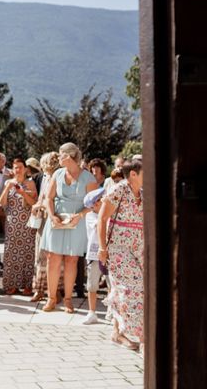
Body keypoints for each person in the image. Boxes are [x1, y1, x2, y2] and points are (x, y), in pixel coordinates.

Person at [40, 142, 99, 313]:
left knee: (72, 260)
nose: (58, 157)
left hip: (77, 222)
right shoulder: (57, 174)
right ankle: (51, 298)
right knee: (53, 258)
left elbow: (94, 203)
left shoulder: (88, 178)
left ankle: (67, 299)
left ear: (69, 156)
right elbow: (48, 198)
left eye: (60, 154)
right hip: (56, 220)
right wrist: (51, 216)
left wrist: (80, 215)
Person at [98, 159, 144, 352]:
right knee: (132, 288)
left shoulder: (143, 192)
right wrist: (102, 248)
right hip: (119, 248)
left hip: (140, 246)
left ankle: (117, 333)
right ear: (133, 174)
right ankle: (140, 333)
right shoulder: (119, 189)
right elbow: (102, 218)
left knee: (122, 289)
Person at [0, 158, 37, 295]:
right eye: (15, 167)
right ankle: (12, 284)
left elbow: (34, 203)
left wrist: (23, 193)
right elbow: (2, 203)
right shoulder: (8, 182)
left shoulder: (30, 183)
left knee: (28, 253)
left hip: (27, 223)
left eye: (20, 167)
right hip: (12, 223)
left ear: (26, 169)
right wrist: (7, 189)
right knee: (11, 253)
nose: (18, 170)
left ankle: (27, 285)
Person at [30, 152, 60, 302]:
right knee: (40, 254)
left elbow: (54, 198)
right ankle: (39, 289)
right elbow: (42, 196)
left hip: (52, 218)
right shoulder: (45, 178)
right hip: (42, 219)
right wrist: (37, 206)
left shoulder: (58, 177)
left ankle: (54, 290)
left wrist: (40, 205)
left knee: (52, 255)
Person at [81, 187, 105, 325]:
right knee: (92, 283)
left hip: (108, 253)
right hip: (94, 254)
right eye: (101, 200)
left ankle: (112, 312)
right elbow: (99, 226)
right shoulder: (91, 216)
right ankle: (92, 312)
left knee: (111, 282)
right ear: (95, 204)